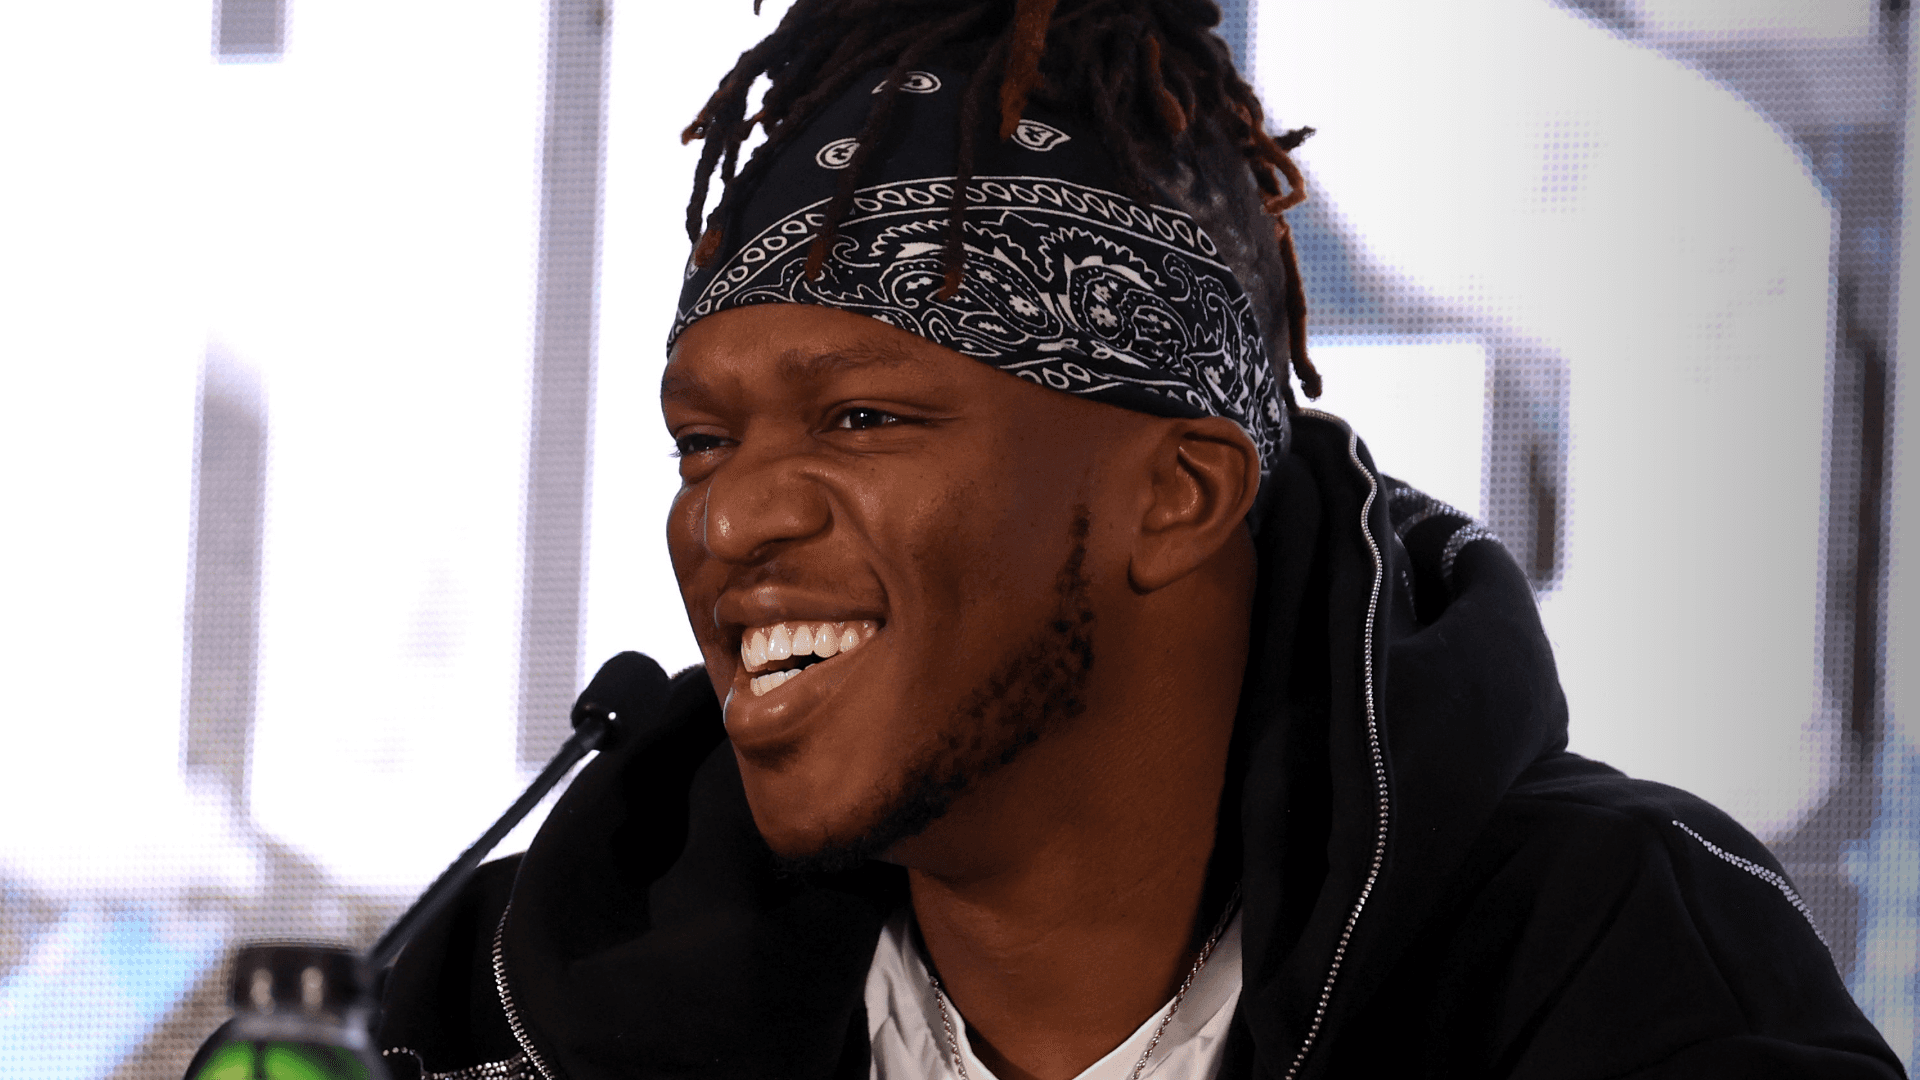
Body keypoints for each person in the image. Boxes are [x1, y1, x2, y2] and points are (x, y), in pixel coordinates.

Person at [375, 1, 1907, 1077]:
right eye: (703, 445)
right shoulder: (504, 1015)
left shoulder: (1618, 976)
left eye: (861, 419)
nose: (727, 517)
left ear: (1177, 496)